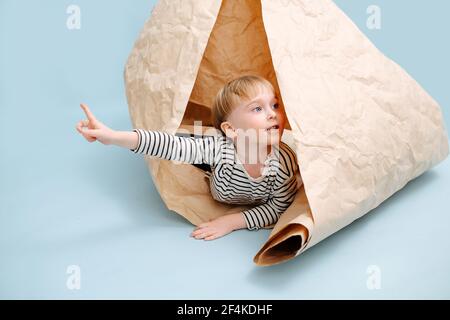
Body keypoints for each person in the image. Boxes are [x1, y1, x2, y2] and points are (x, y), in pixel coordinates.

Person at [76, 75, 302, 241]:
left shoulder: (283, 164)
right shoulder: (220, 149)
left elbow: (278, 207)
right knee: (181, 142)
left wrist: (233, 222)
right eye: (257, 109)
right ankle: (196, 132)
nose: (273, 113)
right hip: (216, 163)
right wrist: (113, 137)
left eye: (274, 105)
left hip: (244, 184)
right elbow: (170, 146)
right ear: (231, 129)